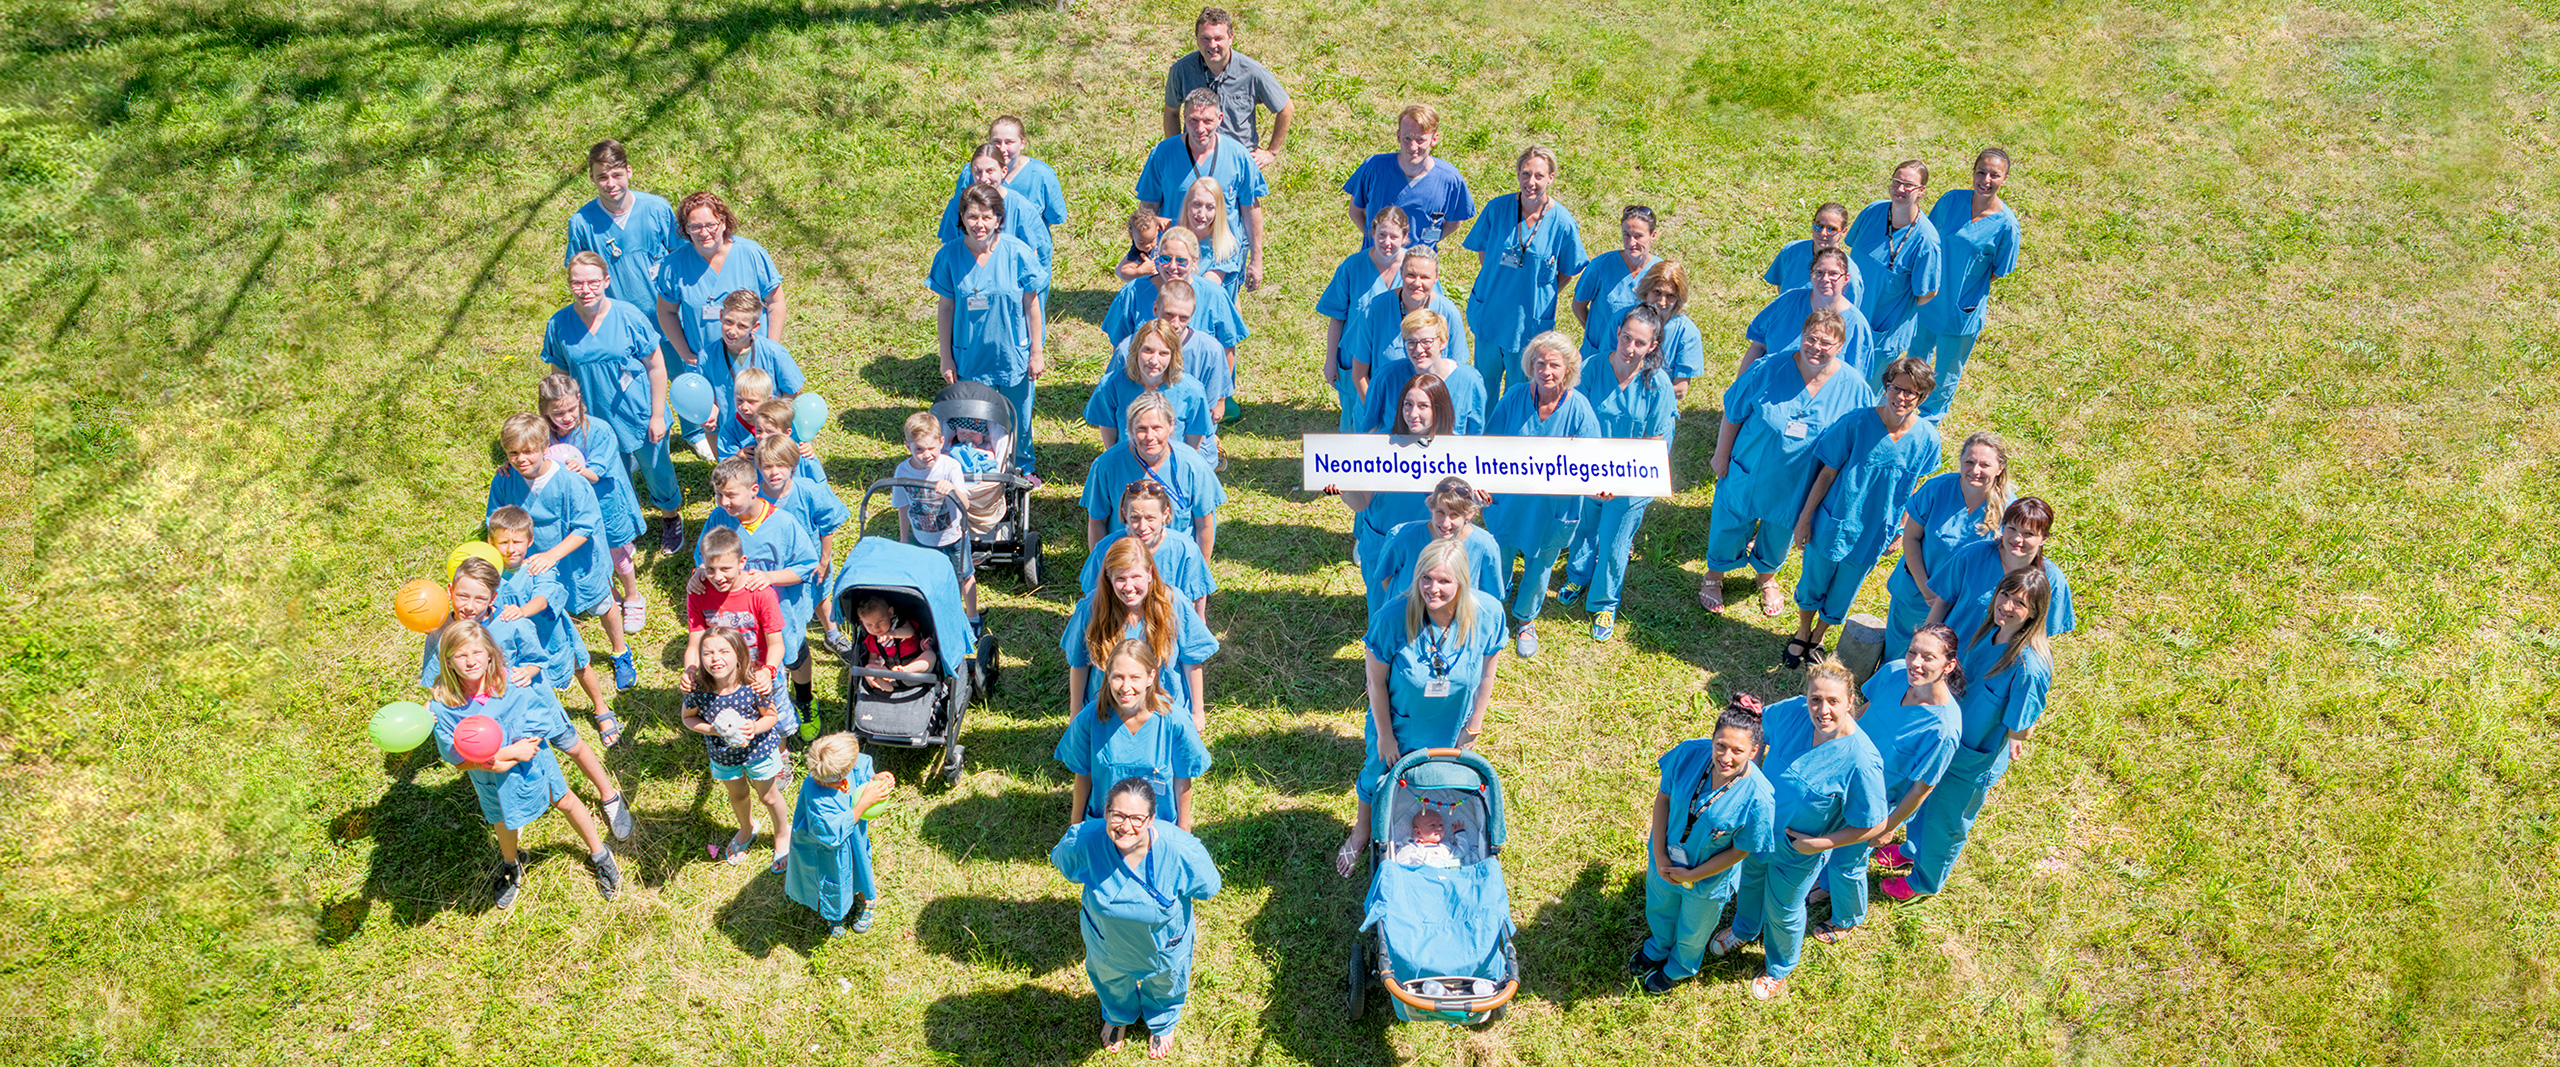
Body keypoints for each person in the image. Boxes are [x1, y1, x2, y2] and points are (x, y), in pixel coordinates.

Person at [420, 557, 633, 842]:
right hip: (493, 718)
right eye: (462, 596)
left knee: (571, 744)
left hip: (535, 702)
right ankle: (517, 806)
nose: (469, 606)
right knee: (520, 761)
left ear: (492, 598)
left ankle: (609, 794)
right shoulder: (441, 632)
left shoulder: (510, 620)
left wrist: (527, 670)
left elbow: (537, 658)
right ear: (450, 592)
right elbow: (439, 678)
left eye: (479, 598)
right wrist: (431, 707)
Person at [1712, 662, 1885, 1001]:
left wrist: (1820, 843)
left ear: (1851, 701)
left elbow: (1873, 824)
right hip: (1758, 828)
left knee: (1784, 908)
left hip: (1798, 850)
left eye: (1833, 701)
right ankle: (1745, 927)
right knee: (1750, 879)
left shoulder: (1862, 761)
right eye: (1815, 699)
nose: (1823, 710)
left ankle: (1779, 966)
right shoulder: (1794, 713)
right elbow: (1758, 735)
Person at [1335, 538, 1508, 876]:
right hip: (1399, 721)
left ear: (1461, 582)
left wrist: (1474, 725)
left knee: (1442, 776)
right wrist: (1385, 736)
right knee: (1377, 775)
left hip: (1452, 722)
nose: (1433, 589)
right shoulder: (1393, 617)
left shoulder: (1488, 615)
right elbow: (1375, 682)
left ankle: (1435, 825)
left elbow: (1488, 673)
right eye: (1426, 579)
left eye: (1444, 581)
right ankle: (1363, 831)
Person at [1879, 569, 2053, 901]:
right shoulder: (1988, 630)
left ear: (2035, 612)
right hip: (1945, 740)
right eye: (2005, 594)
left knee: (1947, 820)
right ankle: (1913, 849)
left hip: (1973, 758)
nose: (2006, 606)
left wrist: (2017, 733)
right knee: (1925, 801)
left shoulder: (2029, 667)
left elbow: (2022, 727)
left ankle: (1923, 882)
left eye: (2020, 602)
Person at [1699, 310, 1878, 617]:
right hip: (1750, 466)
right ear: (1801, 336)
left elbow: (1857, 441)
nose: (1816, 347)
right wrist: (1721, 454)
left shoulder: (1855, 388)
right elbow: (1733, 411)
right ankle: (1715, 574)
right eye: (1811, 338)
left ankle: (1766, 575)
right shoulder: (1767, 368)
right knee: (1730, 522)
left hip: (1799, 482)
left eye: (1826, 342)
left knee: (1780, 532)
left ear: (1840, 346)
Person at [428, 622, 619, 907]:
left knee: (564, 799)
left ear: (491, 655)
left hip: (533, 765)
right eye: (460, 655)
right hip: (488, 777)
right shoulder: (444, 706)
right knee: (501, 819)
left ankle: (599, 853)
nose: (470, 661)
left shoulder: (512, 683)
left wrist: (507, 756)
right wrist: (495, 763)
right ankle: (511, 864)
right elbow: (456, 759)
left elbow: (531, 740)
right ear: (447, 661)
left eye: (477, 653)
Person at [1785, 357, 1944, 666]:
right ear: (1886, 387)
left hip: (1875, 530)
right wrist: (1804, 520)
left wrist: (1902, 529)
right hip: (1834, 520)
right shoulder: (1856, 423)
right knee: (1813, 583)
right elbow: (1826, 474)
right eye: (1896, 388)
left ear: (1922, 397)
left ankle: (1818, 636)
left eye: (1911, 392)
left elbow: (1916, 488)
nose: (1901, 397)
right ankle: (1802, 632)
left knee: (1844, 591)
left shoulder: (1927, 439)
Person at [1051, 777, 1223, 1058]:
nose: (1126, 826)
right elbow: (1062, 860)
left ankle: (1163, 1020)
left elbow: (1209, 886)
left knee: (1166, 983)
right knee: (1110, 980)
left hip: (1163, 947)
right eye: (1117, 815)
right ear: (1106, 812)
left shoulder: (1182, 851)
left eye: (1137, 819)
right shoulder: (1083, 841)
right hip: (1107, 942)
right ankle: (1118, 1015)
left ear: (1152, 819)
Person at [1812, 624, 1961, 941]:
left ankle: (1848, 918)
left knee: (1848, 862)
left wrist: (1889, 826)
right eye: (1912, 652)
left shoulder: (1944, 730)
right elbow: (1867, 709)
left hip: (1873, 804)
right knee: (1826, 837)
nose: (1915, 663)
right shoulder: (1894, 672)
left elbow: (1922, 787)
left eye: (1928, 658)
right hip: (1843, 776)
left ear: (1948, 666)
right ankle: (1825, 885)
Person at [1628, 706, 1773, 996]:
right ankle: (1658, 947)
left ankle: (1678, 967)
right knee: (1660, 907)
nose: (1726, 757)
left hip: (1707, 879)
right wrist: (1659, 856)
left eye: (1737, 750)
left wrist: (1692, 873)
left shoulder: (1759, 796)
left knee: (1694, 929)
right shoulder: (1687, 754)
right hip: (1665, 857)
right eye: (1720, 745)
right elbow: (1664, 799)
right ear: (1712, 739)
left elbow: (1740, 850)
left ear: (1754, 751)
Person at [542, 252, 681, 554]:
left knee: (658, 470)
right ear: (569, 285)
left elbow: (656, 365)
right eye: (578, 283)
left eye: (593, 281)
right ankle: (625, 533)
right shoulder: (559, 325)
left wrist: (658, 414)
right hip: (592, 421)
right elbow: (559, 379)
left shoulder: (629, 316)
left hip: (639, 413)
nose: (586, 289)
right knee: (610, 476)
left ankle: (670, 516)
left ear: (606, 281)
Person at [1558, 306, 1676, 642]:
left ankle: (1604, 601)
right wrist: (1588, 476)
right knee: (1583, 529)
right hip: (1586, 471)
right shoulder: (1592, 368)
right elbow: (1574, 422)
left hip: (1630, 480)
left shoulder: (1658, 384)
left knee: (1613, 543)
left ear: (1652, 346)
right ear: (1618, 332)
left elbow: (1654, 442)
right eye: (1626, 337)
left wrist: (1617, 481)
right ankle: (1577, 576)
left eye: (1640, 343)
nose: (1630, 348)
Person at [1481, 332, 1600, 657]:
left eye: (1554, 365)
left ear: (1568, 369)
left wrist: (1598, 489)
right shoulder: (1516, 397)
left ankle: (1525, 619)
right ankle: (1492, 608)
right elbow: (1487, 443)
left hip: (1553, 510)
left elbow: (1594, 465)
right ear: (1530, 365)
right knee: (1498, 556)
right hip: (1509, 503)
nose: (1546, 371)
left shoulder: (1580, 410)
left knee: (1539, 566)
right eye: (1540, 363)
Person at [485, 414, 624, 691]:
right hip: (533, 565)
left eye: (528, 451)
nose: (521, 459)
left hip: (577, 560)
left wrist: (553, 556)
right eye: (513, 453)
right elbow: (494, 521)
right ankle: (563, 659)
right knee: (548, 611)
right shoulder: (503, 480)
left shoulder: (570, 481)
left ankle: (620, 651)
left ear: (545, 447)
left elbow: (585, 526)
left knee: (600, 604)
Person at [655, 191, 785, 461]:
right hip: (707, 362)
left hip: (752, 359)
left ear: (723, 222)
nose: (704, 232)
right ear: (684, 229)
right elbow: (666, 311)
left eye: (711, 224)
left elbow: (775, 301)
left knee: (760, 418)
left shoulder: (750, 254)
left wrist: (770, 346)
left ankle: (768, 475)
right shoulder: (674, 265)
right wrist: (685, 353)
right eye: (695, 227)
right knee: (715, 419)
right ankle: (729, 471)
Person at [931, 184, 1050, 479]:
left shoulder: (1017, 253)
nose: (979, 224)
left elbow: (1032, 306)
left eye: (987, 216)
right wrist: (946, 357)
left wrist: (1036, 352)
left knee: (1018, 416)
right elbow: (946, 309)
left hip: (1013, 354)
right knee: (972, 419)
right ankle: (978, 470)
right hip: (970, 356)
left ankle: (1021, 468)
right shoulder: (949, 257)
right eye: (972, 216)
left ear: (999, 218)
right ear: (961, 217)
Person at [692, 456, 821, 713]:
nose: (724, 502)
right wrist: (698, 572)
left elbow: (807, 565)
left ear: (754, 490)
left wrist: (771, 577)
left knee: (792, 655)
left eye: (730, 495)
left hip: (780, 610)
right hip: (738, 615)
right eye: (718, 495)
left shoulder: (783, 523)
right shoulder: (718, 518)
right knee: (747, 661)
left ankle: (805, 700)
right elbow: (702, 556)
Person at [1464, 144, 1590, 400]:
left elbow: (1568, 269)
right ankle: (1480, 438)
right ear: (1518, 173)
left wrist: (1542, 290)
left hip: (1528, 323)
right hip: (1491, 312)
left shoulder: (1562, 223)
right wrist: (1496, 280)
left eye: (1539, 176)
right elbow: (1483, 250)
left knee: (1519, 392)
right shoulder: (1497, 209)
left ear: (1551, 178)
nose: (1531, 182)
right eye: (1525, 174)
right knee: (1482, 388)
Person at [485, 507, 619, 738]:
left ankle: (601, 707)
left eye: (517, 541)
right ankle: (548, 724)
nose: (510, 549)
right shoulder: (489, 575)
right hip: (519, 646)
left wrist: (523, 611)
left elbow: (543, 598)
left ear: (530, 540)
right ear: (490, 541)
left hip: (552, 635)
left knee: (581, 666)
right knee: (532, 681)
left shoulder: (538, 566)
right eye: (503, 542)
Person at [1333, 373, 1460, 615]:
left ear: (1439, 408)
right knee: (1383, 614)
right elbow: (1361, 503)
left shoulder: (1457, 450)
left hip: (1431, 549)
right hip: (1382, 547)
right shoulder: (1380, 444)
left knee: (1426, 614)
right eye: (1408, 404)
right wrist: (1342, 485)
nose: (1413, 414)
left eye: (1423, 406)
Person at [1064, 539, 1220, 731]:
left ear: (1149, 574)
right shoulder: (1091, 608)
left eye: (1136, 577)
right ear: (1108, 578)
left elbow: (1192, 660)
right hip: (1108, 716)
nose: (1129, 587)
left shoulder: (1174, 604)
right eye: (1120, 579)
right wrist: (1076, 713)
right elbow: (1079, 663)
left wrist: (1198, 712)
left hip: (1164, 713)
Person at [1911, 149, 2021, 421]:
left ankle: (1927, 422)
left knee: (1947, 371)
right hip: (1928, 299)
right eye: (1981, 172)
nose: (1986, 179)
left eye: (1994, 175)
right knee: (1914, 361)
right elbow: (1928, 239)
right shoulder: (1951, 200)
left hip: (1962, 309)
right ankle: (1899, 407)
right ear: (1973, 173)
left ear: (2004, 179)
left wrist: (1965, 283)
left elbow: (1999, 270)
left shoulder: (2007, 226)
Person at [1057, 638, 1212, 829]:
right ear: (1107, 676)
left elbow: (1183, 779)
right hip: (1105, 828)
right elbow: (1083, 775)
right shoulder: (1090, 719)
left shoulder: (1174, 721)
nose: (1125, 687)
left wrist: (1184, 830)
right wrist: (1076, 825)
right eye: (1118, 677)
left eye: (1135, 677)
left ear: (1150, 677)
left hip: (1157, 830)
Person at [1885, 431, 2011, 658]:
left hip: (1961, 606)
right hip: (1917, 592)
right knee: (1899, 654)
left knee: (1937, 661)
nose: (1975, 470)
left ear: (1999, 468)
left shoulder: (2008, 509)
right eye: (1969, 462)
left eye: (1985, 465)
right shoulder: (1937, 489)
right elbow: (1911, 538)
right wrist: (1927, 589)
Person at [538, 375, 648, 634]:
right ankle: (611, 595)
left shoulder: (598, 430)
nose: (566, 417)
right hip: (572, 509)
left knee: (616, 554)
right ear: (545, 411)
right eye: (558, 413)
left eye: (571, 409)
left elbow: (599, 473)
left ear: (579, 400)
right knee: (592, 555)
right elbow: (528, 452)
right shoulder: (544, 435)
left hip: (604, 503)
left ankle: (633, 596)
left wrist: (581, 469)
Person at [681, 625, 797, 870]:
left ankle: (782, 833)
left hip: (760, 753)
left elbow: (771, 716)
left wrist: (754, 728)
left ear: (739, 655)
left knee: (769, 795)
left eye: (724, 651)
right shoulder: (698, 689)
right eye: (707, 653)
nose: (716, 658)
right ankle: (747, 828)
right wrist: (712, 729)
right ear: (700, 658)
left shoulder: (753, 683)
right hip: (723, 757)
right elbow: (688, 718)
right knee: (738, 795)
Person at [1138, 88, 1268, 292]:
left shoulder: (1239, 157)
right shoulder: (1163, 154)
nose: (1200, 128)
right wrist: (1140, 250)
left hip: (1220, 260)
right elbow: (1147, 207)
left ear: (1220, 119)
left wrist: (1256, 261)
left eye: (1207, 121)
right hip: (1174, 262)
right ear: (1184, 117)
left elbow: (1251, 209)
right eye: (1193, 120)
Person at [1102, 280, 1234, 464]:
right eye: (1169, 315)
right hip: (1132, 450)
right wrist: (1114, 456)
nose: (1175, 324)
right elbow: (1108, 408)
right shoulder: (1127, 350)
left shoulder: (1208, 354)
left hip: (1183, 451)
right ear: (1155, 309)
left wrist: (1188, 463)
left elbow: (1206, 415)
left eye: (1183, 318)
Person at [1083, 392, 1225, 561]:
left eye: (1157, 428)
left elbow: (1204, 525)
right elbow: (1097, 522)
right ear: (1130, 429)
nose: (1150, 437)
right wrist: (1103, 570)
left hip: (1175, 564)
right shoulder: (1106, 466)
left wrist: (1198, 571)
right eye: (1141, 429)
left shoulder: (1193, 465)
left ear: (1171, 425)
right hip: (1126, 568)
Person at [1926, 496, 2077, 644]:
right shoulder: (1973, 556)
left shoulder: (2051, 579)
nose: (2017, 539)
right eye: (2012, 529)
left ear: (2043, 538)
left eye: (2028, 534)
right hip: (1951, 655)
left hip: (2002, 664)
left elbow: (2040, 635)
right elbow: (1943, 602)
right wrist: (1926, 644)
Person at [787, 732, 894, 936]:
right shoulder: (818, 797)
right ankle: (836, 914)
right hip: (828, 850)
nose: (855, 765)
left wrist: (875, 778)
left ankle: (866, 900)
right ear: (837, 776)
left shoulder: (844, 766)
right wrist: (864, 803)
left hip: (854, 838)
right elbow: (831, 834)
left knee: (860, 867)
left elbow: (862, 769)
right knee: (834, 879)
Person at [1102, 228, 1246, 380]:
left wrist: (1221, 395)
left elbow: (1228, 348)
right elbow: (1119, 346)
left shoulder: (1215, 296)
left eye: (1181, 261)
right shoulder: (1133, 292)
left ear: (1194, 261)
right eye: (1165, 259)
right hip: (1143, 386)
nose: (1172, 267)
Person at [1162, 7, 1292, 168]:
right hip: (1196, 163)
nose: (1212, 45)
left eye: (1218, 38)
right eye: (1205, 38)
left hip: (1238, 164)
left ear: (1230, 38)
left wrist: (1271, 152)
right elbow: (1171, 113)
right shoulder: (1181, 70)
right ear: (1196, 39)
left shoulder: (1253, 72)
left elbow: (1286, 108)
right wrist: (1177, 150)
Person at [1317, 208, 1410, 427]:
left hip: (1398, 360)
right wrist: (1330, 361)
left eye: (1394, 236)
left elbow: (1432, 313)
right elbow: (1337, 317)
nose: (1387, 242)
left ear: (1405, 238)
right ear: (1372, 233)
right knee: (1354, 421)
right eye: (1381, 235)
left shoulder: (1414, 269)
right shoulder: (1352, 267)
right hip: (1354, 358)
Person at [1845, 160, 1942, 370]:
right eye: (1896, 182)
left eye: (1908, 185)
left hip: (1882, 336)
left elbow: (1927, 292)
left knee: (1865, 396)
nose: (1900, 189)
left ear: (1921, 191)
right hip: (1845, 320)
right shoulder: (1873, 212)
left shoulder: (1926, 241)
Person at [564, 139, 680, 313]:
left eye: (617, 175)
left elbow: (681, 256)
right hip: (620, 323)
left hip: (667, 317)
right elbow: (580, 276)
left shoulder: (657, 209)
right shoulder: (581, 224)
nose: (611, 184)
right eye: (602, 177)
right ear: (591, 177)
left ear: (629, 171)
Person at [1342, 103, 1473, 248]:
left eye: (1420, 140)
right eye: (1407, 138)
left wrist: (1425, 244)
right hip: (1375, 265)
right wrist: (1375, 241)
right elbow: (1355, 211)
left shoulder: (1449, 179)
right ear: (1398, 135)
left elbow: (1455, 221)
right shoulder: (1374, 167)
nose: (1412, 147)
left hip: (1418, 267)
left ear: (1434, 139)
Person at [1082, 480, 1217, 620]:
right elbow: (1093, 603)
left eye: (1150, 518)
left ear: (1165, 514)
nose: (1142, 527)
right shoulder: (1105, 549)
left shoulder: (1186, 551)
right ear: (1124, 514)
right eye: (1135, 517)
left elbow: (1196, 610)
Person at [950, 116, 1068, 273]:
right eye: (996, 142)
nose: (1002, 148)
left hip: (1028, 261)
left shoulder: (1041, 175)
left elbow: (1054, 217)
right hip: (979, 259)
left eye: (1009, 142)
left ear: (1022, 143)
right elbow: (959, 214)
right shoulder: (972, 173)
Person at [1735, 247, 1874, 379]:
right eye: (1819, 272)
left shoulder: (1856, 326)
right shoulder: (1789, 301)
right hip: (1768, 389)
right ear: (1811, 275)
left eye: (1833, 274)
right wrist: (1739, 390)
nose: (1825, 279)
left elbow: (1854, 380)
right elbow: (1758, 346)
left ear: (1846, 278)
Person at [892, 412, 980, 621]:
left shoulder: (950, 467)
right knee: (929, 579)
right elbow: (902, 506)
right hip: (924, 539)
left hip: (954, 536)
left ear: (942, 442)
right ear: (908, 447)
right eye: (919, 449)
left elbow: (965, 504)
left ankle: (972, 616)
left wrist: (952, 489)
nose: (927, 454)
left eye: (931, 448)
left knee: (965, 576)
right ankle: (936, 615)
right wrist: (904, 537)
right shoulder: (903, 471)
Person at [1373, 476, 1506, 612]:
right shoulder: (1402, 537)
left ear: (1469, 514)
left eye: (1454, 515)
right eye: (1440, 512)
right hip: (1408, 615)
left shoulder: (1484, 545)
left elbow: (1491, 595)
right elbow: (1386, 576)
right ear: (1431, 508)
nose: (1445, 523)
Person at [940, 141, 1055, 299]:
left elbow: (1032, 258)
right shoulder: (958, 205)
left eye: (990, 171)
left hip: (1008, 297)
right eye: (978, 172)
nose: (983, 178)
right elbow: (950, 250)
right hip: (969, 293)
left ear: (1003, 171)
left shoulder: (1021, 208)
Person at [1087, 320, 1213, 452]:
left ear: (1173, 356)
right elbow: (1109, 435)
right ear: (1136, 350)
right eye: (1148, 350)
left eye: (1163, 353)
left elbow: (1191, 450)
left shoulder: (1192, 391)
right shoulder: (1111, 385)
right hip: (1128, 462)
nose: (1154, 361)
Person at [698, 289, 805, 438]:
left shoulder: (773, 352)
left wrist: (776, 415)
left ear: (754, 327)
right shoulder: (707, 357)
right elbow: (709, 395)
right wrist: (712, 411)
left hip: (770, 433)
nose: (732, 331)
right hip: (732, 434)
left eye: (741, 326)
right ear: (721, 316)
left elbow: (794, 388)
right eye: (729, 321)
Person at [1359, 308, 1484, 435]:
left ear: (1443, 342)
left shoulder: (1469, 381)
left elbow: (1475, 436)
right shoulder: (1386, 377)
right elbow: (1370, 427)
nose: (1418, 350)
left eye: (1426, 342)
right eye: (1411, 342)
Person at [1571, 205, 1659, 359]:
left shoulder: (1659, 273)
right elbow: (1578, 306)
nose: (1631, 242)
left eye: (1638, 236)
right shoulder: (1601, 266)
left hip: (1637, 361)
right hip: (1598, 357)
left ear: (1653, 235)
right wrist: (1599, 336)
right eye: (1626, 234)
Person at [1762, 202, 1866, 309]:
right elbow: (1781, 286)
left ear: (1844, 231)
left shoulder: (1850, 274)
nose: (1823, 233)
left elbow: (1848, 314)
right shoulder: (1791, 251)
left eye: (1832, 229)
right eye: (1819, 226)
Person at [1637, 261, 1706, 401]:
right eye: (1657, 292)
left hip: (1657, 408)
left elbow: (1680, 390)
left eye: (1670, 296)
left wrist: (1639, 397)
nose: (1662, 302)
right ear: (1646, 290)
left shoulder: (1687, 333)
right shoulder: (1624, 319)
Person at [850, 595, 939, 695]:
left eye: (880, 621)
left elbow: (909, 632)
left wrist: (893, 634)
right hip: (890, 674)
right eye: (869, 625)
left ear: (890, 613)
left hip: (915, 671)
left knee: (930, 655)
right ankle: (881, 684)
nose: (876, 628)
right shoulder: (871, 639)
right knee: (868, 667)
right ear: (862, 622)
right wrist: (875, 671)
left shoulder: (900, 624)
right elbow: (872, 659)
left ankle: (906, 670)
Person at [1176, 177, 1247, 301]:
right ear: (1187, 203)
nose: (1201, 214)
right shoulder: (1170, 233)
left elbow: (1203, 291)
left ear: (1217, 210)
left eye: (1210, 207)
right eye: (1196, 204)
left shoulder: (1225, 247)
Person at [1390, 808, 1474, 869]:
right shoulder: (1417, 849)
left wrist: (1460, 833)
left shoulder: (1445, 848)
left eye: (1441, 825)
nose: (1439, 828)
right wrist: (1411, 845)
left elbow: (1462, 851)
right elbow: (1401, 860)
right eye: (1432, 825)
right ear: (1418, 832)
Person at [1117, 210, 1168, 283]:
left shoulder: (1160, 230)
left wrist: (1159, 220)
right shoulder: (1139, 251)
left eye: (1151, 240)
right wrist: (1140, 271)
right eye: (1141, 242)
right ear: (1132, 236)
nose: (1147, 246)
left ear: (1157, 229)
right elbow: (1123, 272)